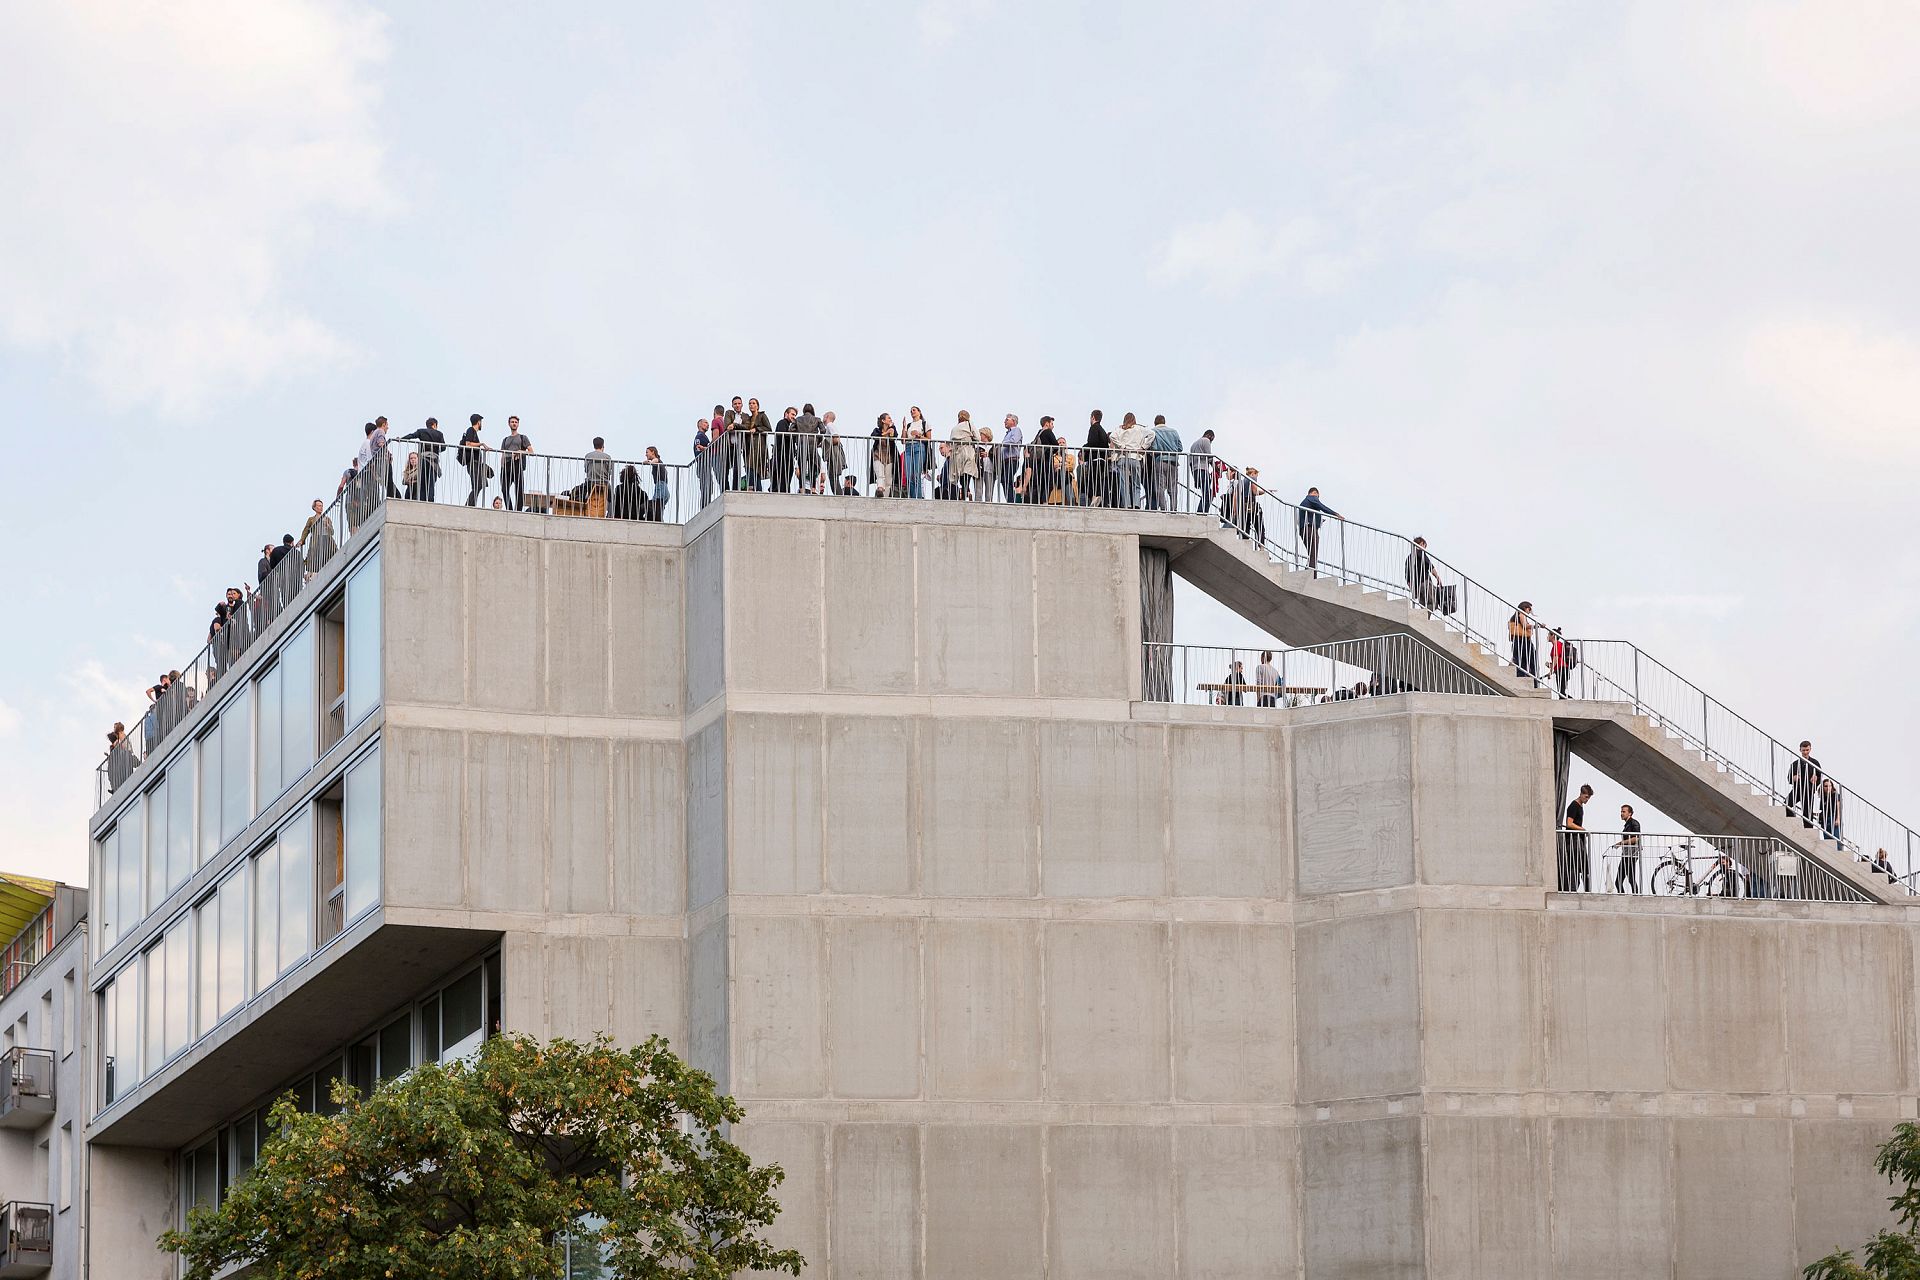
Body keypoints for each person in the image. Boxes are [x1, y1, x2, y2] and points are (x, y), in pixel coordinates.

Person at [399, 417, 447, 500]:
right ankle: (430, 501)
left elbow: (411, 435)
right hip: (433, 461)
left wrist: (401, 439)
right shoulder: (439, 434)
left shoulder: (421, 431)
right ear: (434, 425)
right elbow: (443, 448)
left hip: (423, 460)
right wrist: (435, 447)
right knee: (431, 483)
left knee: (422, 482)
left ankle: (421, 500)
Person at [1296, 487, 1342, 573]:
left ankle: (1310, 571)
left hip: (1304, 530)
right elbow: (1322, 507)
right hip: (1309, 529)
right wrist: (1336, 514)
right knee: (1313, 551)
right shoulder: (1311, 498)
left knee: (1312, 552)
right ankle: (1311, 573)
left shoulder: (1305, 502)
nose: (1317, 499)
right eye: (1318, 496)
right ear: (1314, 493)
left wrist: (1320, 520)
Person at [1559, 784, 1593, 891]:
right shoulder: (1574, 805)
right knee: (1574, 866)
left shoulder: (1580, 806)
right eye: (1586, 797)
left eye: (1589, 798)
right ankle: (1572, 889)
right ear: (1581, 794)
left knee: (1583, 866)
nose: (1587, 800)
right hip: (1573, 841)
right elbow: (1569, 823)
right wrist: (1582, 829)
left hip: (1577, 840)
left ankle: (1585, 890)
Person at [1114, 412, 1149, 508]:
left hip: (1123, 457)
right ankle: (1136, 503)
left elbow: (1112, 436)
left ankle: (1127, 503)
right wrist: (1143, 447)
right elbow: (1152, 434)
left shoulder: (1120, 428)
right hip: (1135, 457)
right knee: (1136, 482)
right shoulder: (1139, 429)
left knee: (1123, 483)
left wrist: (1122, 446)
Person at [1148, 415, 1182, 510]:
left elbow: (1154, 448)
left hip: (1160, 461)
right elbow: (1180, 448)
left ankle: (1163, 509)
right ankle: (1173, 509)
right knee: (1173, 488)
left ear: (1155, 423)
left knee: (1160, 487)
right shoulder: (1174, 432)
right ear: (1164, 422)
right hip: (1173, 462)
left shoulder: (1153, 431)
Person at [458, 413, 492, 506]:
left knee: (478, 485)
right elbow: (468, 444)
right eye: (481, 422)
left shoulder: (474, 432)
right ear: (478, 422)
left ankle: (471, 504)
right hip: (473, 464)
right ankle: (469, 505)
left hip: (476, 463)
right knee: (478, 485)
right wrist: (481, 444)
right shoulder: (471, 430)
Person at [499, 415, 531, 511]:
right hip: (507, 465)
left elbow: (531, 451)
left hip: (517, 463)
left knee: (519, 489)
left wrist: (521, 451)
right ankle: (510, 509)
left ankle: (518, 511)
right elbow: (503, 454)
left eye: (516, 422)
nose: (514, 423)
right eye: (512, 422)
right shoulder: (505, 440)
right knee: (504, 489)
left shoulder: (522, 437)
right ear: (509, 424)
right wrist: (502, 466)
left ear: (518, 424)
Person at [1786, 740, 1822, 825]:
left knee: (1807, 813)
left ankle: (1808, 830)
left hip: (1809, 791)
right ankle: (1794, 822)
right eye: (1803, 750)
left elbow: (1820, 777)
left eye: (1807, 750)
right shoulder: (1795, 764)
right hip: (1797, 790)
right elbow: (1789, 778)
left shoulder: (1815, 763)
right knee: (1785, 806)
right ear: (1800, 750)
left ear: (1810, 749)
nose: (1805, 752)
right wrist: (1794, 778)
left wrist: (1816, 778)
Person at [1082, 410, 1112, 507]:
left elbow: (1092, 443)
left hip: (1095, 459)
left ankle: (1095, 496)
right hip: (1102, 460)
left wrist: (1084, 447)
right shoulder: (1103, 431)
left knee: (1092, 478)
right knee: (1098, 479)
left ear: (1093, 417)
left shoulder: (1093, 428)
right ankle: (1097, 496)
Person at [299, 498, 337, 572]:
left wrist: (328, 526)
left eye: (322, 506)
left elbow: (332, 532)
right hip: (316, 540)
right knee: (315, 557)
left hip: (327, 539)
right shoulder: (311, 519)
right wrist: (302, 540)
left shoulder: (327, 518)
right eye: (319, 506)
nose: (321, 508)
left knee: (330, 554)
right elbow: (306, 530)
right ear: (314, 508)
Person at [1405, 536, 1441, 611]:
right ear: (1421, 544)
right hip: (1425, 583)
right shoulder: (1420, 552)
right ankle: (1422, 617)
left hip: (1417, 588)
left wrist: (1413, 589)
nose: (1425, 549)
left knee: (1425, 606)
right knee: (1434, 603)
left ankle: (1422, 618)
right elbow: (1430, 566)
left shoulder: (1409, 558)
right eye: (1425, 546)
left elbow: (1407, 578)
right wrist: (1437, 577)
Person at [950, 410, 980, 499]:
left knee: (960, 474)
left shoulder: (954, 428)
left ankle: (962, 493)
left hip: (957, 453)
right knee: (967, 472)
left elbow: (951, 441)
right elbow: (978, 438)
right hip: (968, 450)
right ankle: (965, 492)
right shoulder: (969, 424)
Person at [1613, 804, 1641, 893]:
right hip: (1627, 854)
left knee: (1623, 881)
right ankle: (1634, 896)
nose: (1621, 813)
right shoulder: (1627, 825)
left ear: (1630, 813)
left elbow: (1636, 838)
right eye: (1621, 811)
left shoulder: (1634, 823)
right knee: (1621, 881)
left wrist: (1621, 843)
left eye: (1624, 812)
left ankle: (1636, 896)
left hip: (1631, 854)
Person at [1508, 601, 1539, 681]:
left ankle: (1522, 678)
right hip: (1523, 641)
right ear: (1525, 608)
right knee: (1532, 661)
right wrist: (1536, 625)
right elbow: (1525, 625)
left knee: (1520, 661)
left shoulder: (1515, 617)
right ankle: (1534, 680)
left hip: (1517, 641)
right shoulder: (1521, 614)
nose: (1530, 611)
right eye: (1529, 609)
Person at [870, 415, 900, 497]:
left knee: (888, 481)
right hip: (878, 455)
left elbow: (894, 436)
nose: (891, 419)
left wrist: (892, 428)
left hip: (889, 457)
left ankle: (885, 497)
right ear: (883, 420)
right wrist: (886, 432)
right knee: (880, 474)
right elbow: (874, 436)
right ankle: (880, 489)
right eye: (889, 418)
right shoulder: (877, 430)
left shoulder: (892, 429)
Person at [1189, 429, 1217, 513]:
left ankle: (1201, 511)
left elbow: (1190, 462)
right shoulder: (1206, 440)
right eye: (1212, 439)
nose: (1211, 441)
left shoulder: (1193, 444)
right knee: (1208, 493)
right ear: (1210, 436)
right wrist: (1216, 467)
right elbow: (1209, 456)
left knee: (1207, 493)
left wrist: (1194, 477)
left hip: (1195, 470)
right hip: (1202, 469)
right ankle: (1201, 512)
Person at [998, 414, 1024, 503]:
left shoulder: (1016, 430)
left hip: (1012, 459)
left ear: (1013, 421)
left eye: (1007, 419)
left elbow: (1014, 441)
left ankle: (1011, 501)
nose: (1004, 421)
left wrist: (1002, 444)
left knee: (1007, 479)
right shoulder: (1008, 433)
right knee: (1004, 480)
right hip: (1006, 460)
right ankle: (1009, 499)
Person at [644, 446, 671, 520]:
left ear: (653, 452)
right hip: (663, 488)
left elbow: (655, 460)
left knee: (654, 505)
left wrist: (649, 462)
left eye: (647, 452)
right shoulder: (660, 462)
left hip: (661, 487)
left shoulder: (657, 460)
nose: (646, 454)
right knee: (658, 508)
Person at [693, 416, 714, 508]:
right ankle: (705, 507)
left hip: (706, 465)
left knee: (708, 486)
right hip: (703, 464)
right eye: (705, 423)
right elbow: (698, 449)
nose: (708, 425)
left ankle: (706, 506)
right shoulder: (699, 436)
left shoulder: (704, 436)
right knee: (706, 486)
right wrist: (706, 448)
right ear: (699, 425)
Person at [1818, 777, 1844, 842]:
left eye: (1830, 786)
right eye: (1826, 786)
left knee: (1836, 838)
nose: (1828, 788)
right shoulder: (1823, 798)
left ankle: (1838, 851)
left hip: (1833, 818)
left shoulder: (1835, 795)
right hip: (1825, 820)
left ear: (1832, 787)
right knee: (1827, 840)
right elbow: (1824, 810)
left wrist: (1838, 819)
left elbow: (1838, 808)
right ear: (1823, 787)